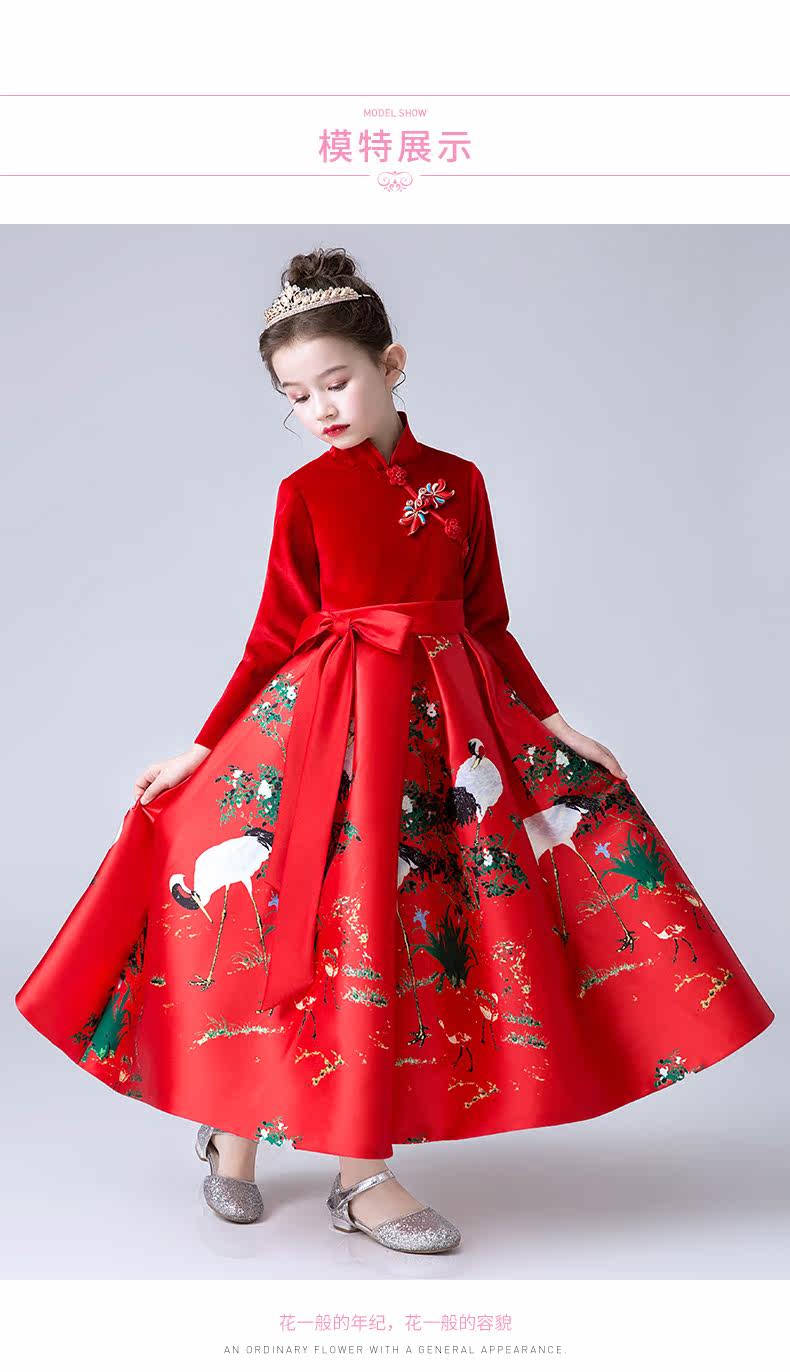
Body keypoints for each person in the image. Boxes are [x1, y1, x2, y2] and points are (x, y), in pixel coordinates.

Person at [16, 247, 775, 1254]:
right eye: (296, 397)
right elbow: (271, 636)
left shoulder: (459, 484)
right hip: (325, 729)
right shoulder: (304, 494)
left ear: (392, 363)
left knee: (394, 928)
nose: (320, 409)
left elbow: (487, 621)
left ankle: (358, 1175)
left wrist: (553, 725)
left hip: (436, 729)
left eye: (336, 381)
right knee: (301, 916)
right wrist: (202, 748)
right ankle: (236, 1137)